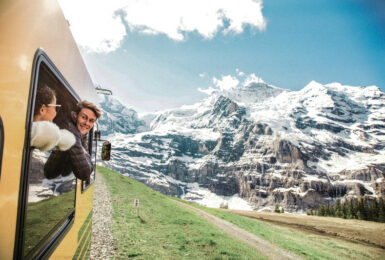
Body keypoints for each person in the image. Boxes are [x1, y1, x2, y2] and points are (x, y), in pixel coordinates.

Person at [44, 100, 102, 181]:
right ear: (75, 115)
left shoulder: (80, 132)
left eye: (91, 121)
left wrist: (82, 150)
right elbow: (85, 173)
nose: (87, 123)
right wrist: (83, 151)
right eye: (84, 117)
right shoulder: (72, 133)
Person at [31, 85, 75, 151]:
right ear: (42, 109)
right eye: (55, 108)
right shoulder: (33, 133)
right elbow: (54, 135)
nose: (55, 113)